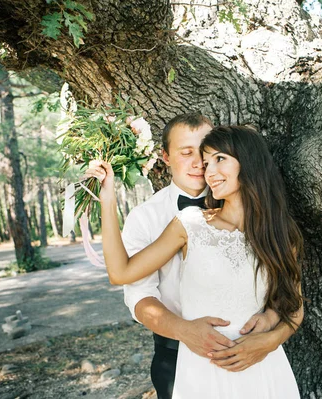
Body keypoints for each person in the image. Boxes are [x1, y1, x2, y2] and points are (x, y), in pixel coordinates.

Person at [86, 125, 304, 398]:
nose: (208, 171)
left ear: (248, 161)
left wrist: (270, 341)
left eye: (219, 159)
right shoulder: (189, 223)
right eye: (207, 161)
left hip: (263, 367)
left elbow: (294, 308)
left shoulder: (281, 233)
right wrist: (107, 200)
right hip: (202, 369)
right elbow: (120, 273)